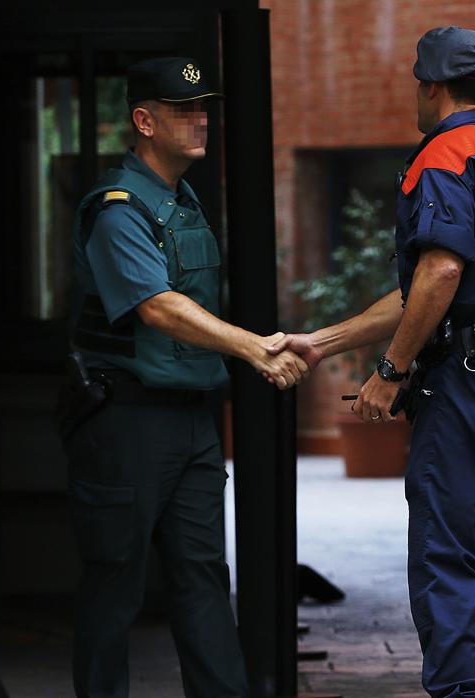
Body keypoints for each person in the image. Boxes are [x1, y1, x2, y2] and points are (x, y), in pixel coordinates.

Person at [270, 27, 475, 697]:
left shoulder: (444, 156)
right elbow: (422, 292)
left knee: (448, 554)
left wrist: (392, 371)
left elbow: (439, 272)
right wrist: (321, 343)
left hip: (472, 392)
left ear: (430, 86)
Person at [62, 56, 308, 698]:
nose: (200, 120)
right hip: (127, 420)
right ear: (143, 122)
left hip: (191, 420)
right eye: (182, 110)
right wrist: (254, 349)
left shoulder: (181, 200)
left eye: (203, 109)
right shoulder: (119, 209)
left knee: (202, 574)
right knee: (115, 578)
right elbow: (158, 306)